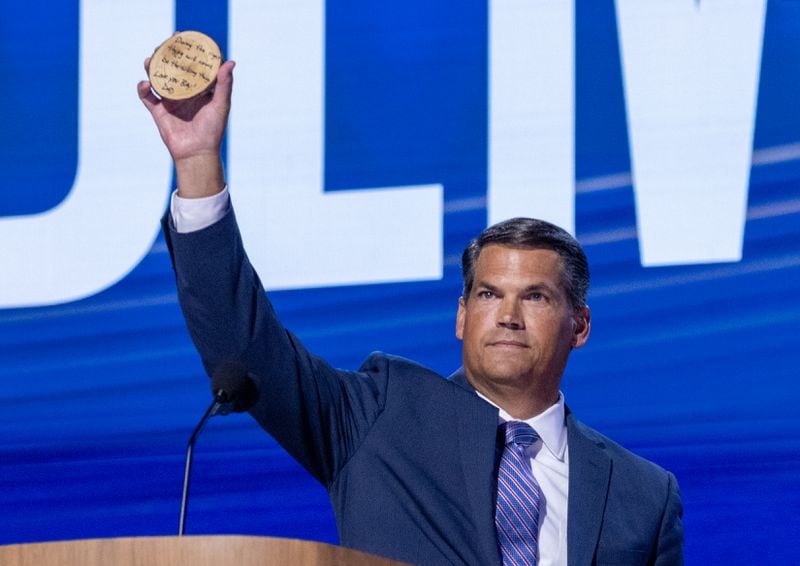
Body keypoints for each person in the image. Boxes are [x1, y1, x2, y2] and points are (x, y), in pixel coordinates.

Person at [139, 56, 683, 566]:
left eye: (535, 297)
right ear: (462, 317)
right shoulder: (379, 417)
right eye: (489, 295)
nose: (508, 315)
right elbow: (243, 346)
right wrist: (197, 162)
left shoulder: (644, 493)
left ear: (580, 326)